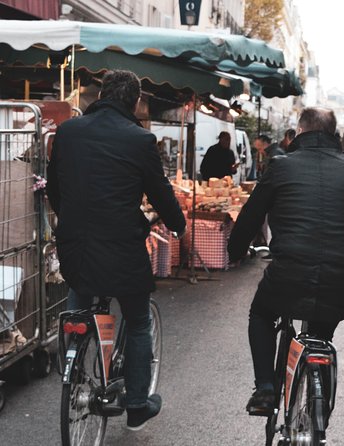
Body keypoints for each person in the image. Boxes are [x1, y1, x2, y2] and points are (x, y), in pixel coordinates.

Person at [46, 70, 186, 431]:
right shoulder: (140, 140)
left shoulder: (68, 131)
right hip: (122, 248)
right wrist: (178, 223)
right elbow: (160, 193)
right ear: (135, 102)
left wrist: (73, 220)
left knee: (78, 304)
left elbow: (55, 189)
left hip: (75, 244)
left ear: (102, 93)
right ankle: (137, 405)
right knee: (138, 321)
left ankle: (72, 370)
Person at [227, 107, 344, 416]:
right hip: (337, 280)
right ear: (335, 136)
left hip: (286, 274)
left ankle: (265, 389)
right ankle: (318, 402)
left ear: (297, 134)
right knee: (322, 332)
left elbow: (249, 218)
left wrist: (236, 251)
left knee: (261, 313)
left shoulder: (281, 167)